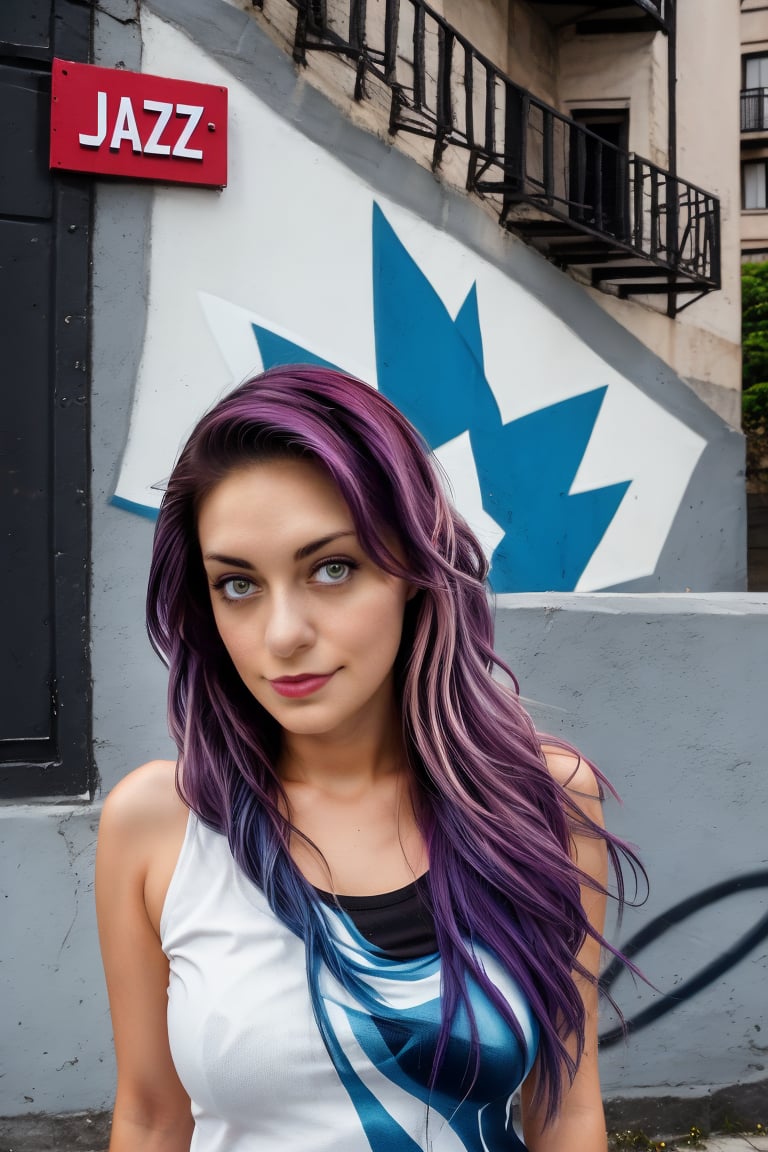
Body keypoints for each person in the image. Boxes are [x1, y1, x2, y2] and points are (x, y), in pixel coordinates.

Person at [96, 364, 639, 1152]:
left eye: (332, 568)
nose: (282, 634)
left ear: (413, 573)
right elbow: (149, 1117)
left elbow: (566, 1109)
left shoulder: (543, 803)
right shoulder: (157, 824)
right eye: (238, 584)